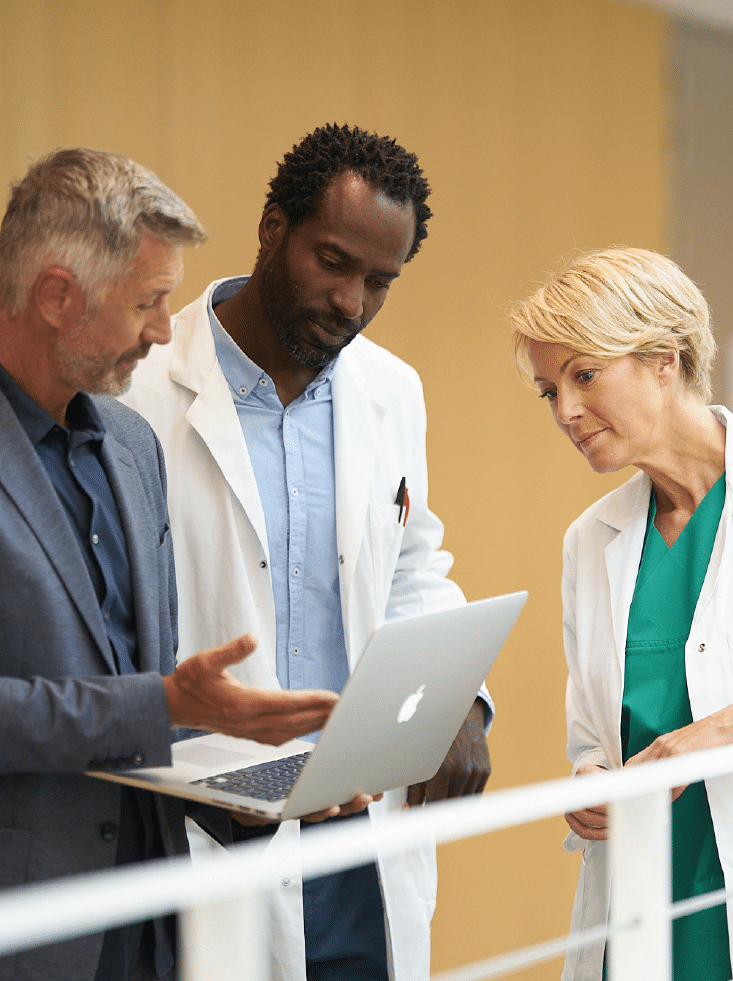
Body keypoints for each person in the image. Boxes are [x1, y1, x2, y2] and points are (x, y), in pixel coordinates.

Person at [122, 122, 493, 981]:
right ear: (271, 226)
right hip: (206, 819)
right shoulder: (136, 387)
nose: (352, 304)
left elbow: (411, 564)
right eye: (333, 262)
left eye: (379, 282)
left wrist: (456, 702)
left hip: (355, 825)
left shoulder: (391, 390)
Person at [0, 147, 343, 981]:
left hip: (149, 922)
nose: (163, 328)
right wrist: (165, 703)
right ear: (56, 295)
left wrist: (254, 771)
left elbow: (144, 694)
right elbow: (139, 699)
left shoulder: (128, 444)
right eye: (149, 301)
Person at [510, 246, 733, 981]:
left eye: (583, 374)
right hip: (640, 896)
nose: (565, 411)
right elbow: (592, 728)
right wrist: (589, 776)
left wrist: (714, 734)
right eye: (548, 390)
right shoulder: (590, 540)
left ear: (664, 360)